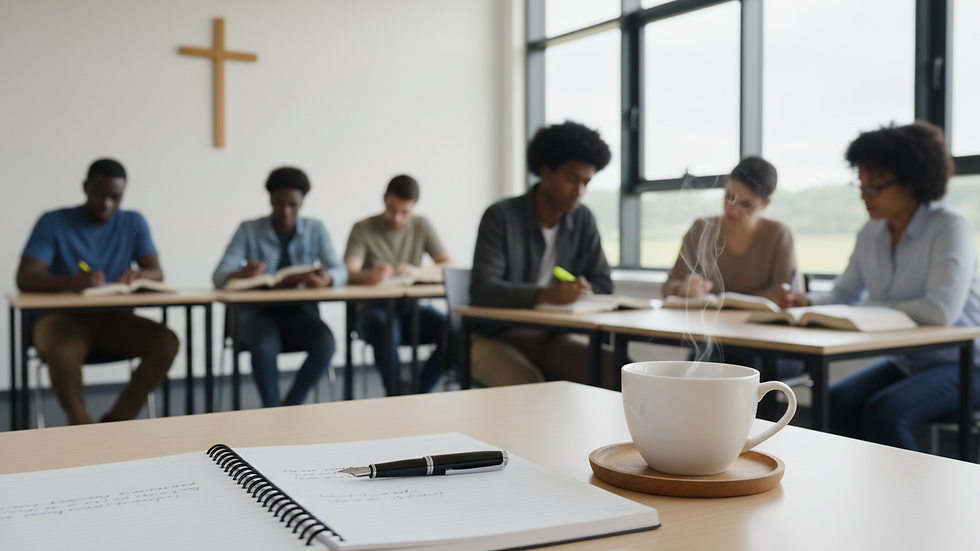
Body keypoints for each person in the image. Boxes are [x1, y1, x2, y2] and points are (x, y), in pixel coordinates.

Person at [777, 121, 980, 451]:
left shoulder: (949, 226)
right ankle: (865, 491)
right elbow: (844, 295)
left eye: (876, 187)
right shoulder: (870, 232)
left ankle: (912, 501)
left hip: (965, 363)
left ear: (913, 182)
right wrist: (805, 301)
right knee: (833, 401)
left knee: (885, 413)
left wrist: (866, 309)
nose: (864, 196)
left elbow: (939, 311)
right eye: (860, 186)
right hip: (907, 361)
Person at [17, 158, 179, 425]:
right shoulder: (53, 222)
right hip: (60, 320)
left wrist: (143, 275)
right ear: (85, 187)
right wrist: (71, 282)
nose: (107, 204)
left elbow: (157, 271)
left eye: (115, 197)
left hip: (116, 319)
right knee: (63, 351)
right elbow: (25, 277)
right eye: (100, 194)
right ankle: (81, 428)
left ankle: (114, 423)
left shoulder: (133, 221)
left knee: (166, 342)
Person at [470, 121, 615, 387]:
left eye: (586, 182)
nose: (579, 191)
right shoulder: (501, 216)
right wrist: (545, 294)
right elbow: (483, 289)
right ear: (546, 171)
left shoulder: (582, 220)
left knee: (616, 368)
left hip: (551, 338)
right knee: (527, 383)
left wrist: (580, 289)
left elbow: (603, 282)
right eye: (572, 179)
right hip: (492, 337)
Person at [213, 167, 348, 407]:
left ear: (302, 202)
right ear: (270, 200)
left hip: (300, 313)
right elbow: (219, 275)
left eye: (292, 205)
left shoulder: (315, 228)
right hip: (255, 314)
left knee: (326, 343)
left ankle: (291, 406)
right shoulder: (249, 229)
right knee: (265, 345)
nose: (285, 211)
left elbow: (340, 270)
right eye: (278, 204)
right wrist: (242, 273)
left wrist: (327, 279)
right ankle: (271, 409)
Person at [344, 174, 453, 394]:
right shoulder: (363, 228)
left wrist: (417, 270)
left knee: (453, 330)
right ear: (384, 199)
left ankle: (417, 391)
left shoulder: (422, 225)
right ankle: (396, 394)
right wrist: (370, 276)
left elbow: (448, 264)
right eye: (393, 209)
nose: (397, 218)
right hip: (372, 310)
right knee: (385, 327)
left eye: (405, 212)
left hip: (409, 307)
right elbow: (348, 271)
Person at [663, 155, 801, 301]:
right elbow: (669, 286)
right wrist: (683, 288)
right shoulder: (701, 228)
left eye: (746, 204)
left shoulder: (778, 234)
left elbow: (789, 296)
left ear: (765, 204)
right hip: (706, 322)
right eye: (729, 197)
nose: (733, 210)